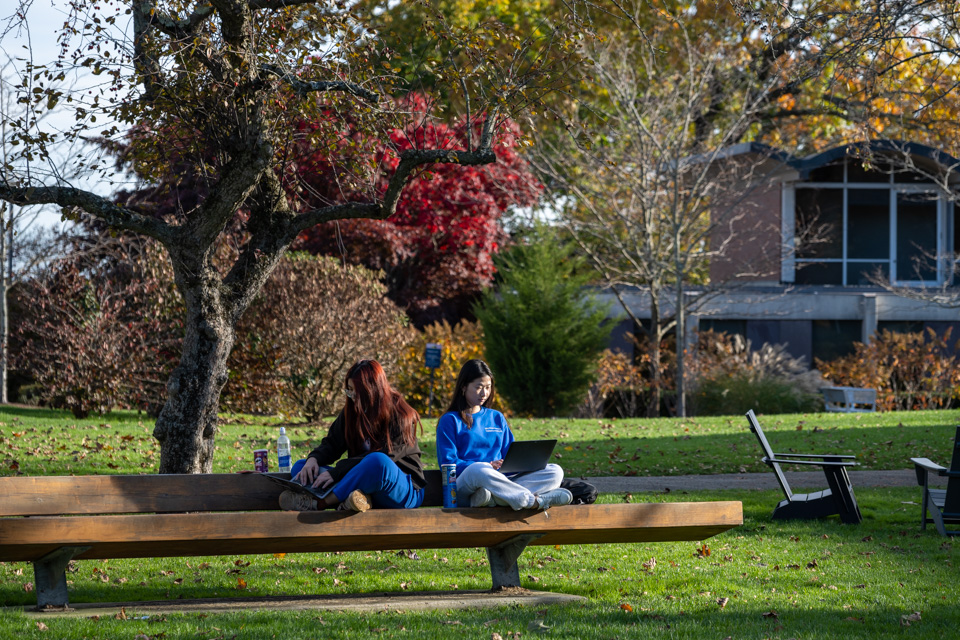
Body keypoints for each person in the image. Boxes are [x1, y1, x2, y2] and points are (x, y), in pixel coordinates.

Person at [279, 359, 425, 512]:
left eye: (357, 392)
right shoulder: (352, 411)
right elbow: (332, 444)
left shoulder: (401, 415)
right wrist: (313, 459)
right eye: (349, 390)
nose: (352, 396)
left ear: (372, 390)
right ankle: (358, 500)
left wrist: (337, 472)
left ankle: (320, 504)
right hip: (362, 485)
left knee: (377, 462)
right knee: (301, 468)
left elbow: (385, 457)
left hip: (401, 490)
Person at [436, 359, 572, 510]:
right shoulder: (450, 420)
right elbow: (448, 464)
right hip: (464, 487)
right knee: (478, 469)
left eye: (488, 387)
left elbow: (510, 457)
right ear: (463, 387)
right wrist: (488, 465)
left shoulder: (496, 417)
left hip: (500, 482)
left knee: (554, 471)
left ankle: (493, 498)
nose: (484, 393)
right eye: (478, 387)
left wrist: (526, 463)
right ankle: (531, 501)